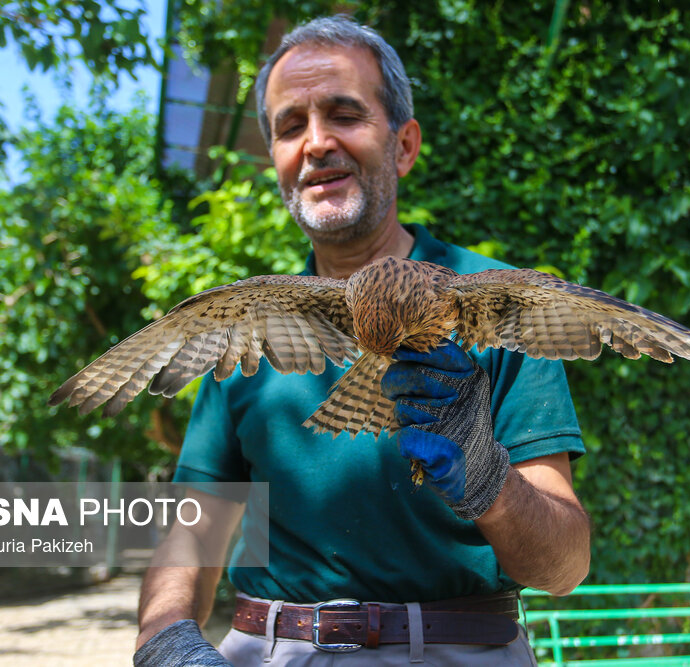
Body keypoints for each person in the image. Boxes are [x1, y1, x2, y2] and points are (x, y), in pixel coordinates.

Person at [134, 15, 592, 666]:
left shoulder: (494, 302)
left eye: (344, 114)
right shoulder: (249, 327)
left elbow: (566, 566)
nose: (316, 143)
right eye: (291, 126)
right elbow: (191, 539)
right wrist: (170, 641)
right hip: (272, 650)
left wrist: (486, 475)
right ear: (275, 163)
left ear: (404, 145)